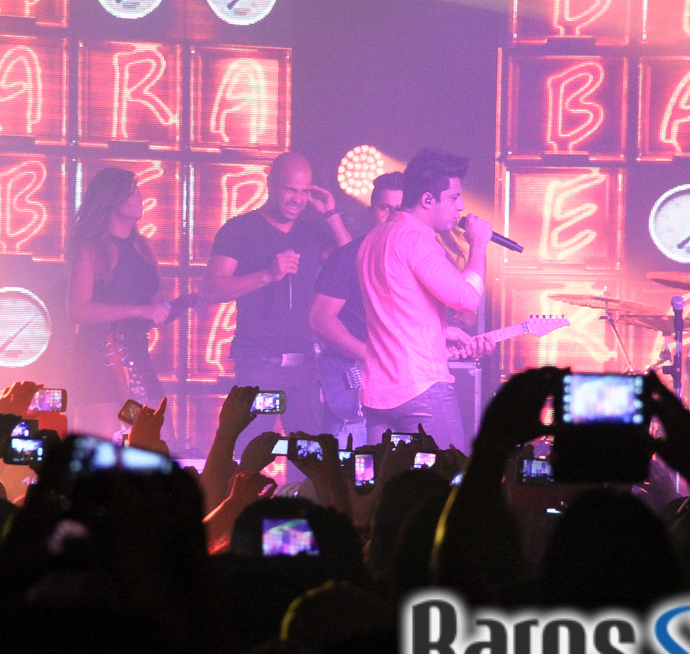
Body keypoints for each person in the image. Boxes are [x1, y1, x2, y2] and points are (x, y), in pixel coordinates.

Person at [203, 152, 352, 458]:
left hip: (305, 368)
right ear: (270, 183)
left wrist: (331, 214)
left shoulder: (311, 233)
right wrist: (267, 275)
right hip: (259, 366)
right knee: (252, 455)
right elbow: (213, 288)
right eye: (290, 190)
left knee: (310, 457)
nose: (298, 199)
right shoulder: (239, 229)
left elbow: (353, 262)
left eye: (305, 192)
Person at [357, 148, 494, 449]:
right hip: (420, 389)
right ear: (428, 200)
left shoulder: (373, 238)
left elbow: (396, 311)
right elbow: (467, 298)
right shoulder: (415, 240)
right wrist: (478, 246)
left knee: (385, 477)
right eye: (454, 198)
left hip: (378, 393)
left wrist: (441, 332)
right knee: (446, 474)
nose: (460, 207)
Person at [66, 167, 172, 438]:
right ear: (113, 200)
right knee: (106, 443)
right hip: (99, 362)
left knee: (153, 436)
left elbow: (157, 304)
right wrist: (138, 310)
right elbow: (78, 309)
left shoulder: (143, 247)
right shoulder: (92, 249)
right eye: (133, 193)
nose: (140, 198)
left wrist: (187, 303)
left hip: (137, 357)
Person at [310, 172, 403, 435]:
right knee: (345, 457)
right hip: (351, 380)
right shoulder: (347, 258)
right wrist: (370, 356)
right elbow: (319, 319)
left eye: (399, 209)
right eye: (385, 208)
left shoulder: (418, 259)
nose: (392, 216)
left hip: (399, 385)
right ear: (371, 212)